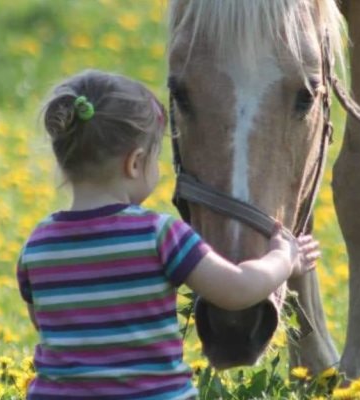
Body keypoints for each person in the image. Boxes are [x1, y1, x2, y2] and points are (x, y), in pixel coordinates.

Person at [16, 69, 321, 400]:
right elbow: (236, 289)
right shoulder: (158, 235)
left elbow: (45, 323)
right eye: (155, 161)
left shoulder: (38, 244)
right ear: (135, 163)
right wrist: (283, 259)